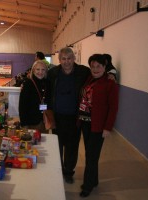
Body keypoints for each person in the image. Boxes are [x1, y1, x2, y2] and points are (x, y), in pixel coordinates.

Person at [47, 47, 90, 183]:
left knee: (72, 147)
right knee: (57, 145)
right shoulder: (53, 73)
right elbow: (45, 89)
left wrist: (110, 76)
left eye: (69, 58)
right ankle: (58, 169)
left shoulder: (83, 72)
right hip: (57, 117)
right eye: (64, 59)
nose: (67, 62)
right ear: (59, 60)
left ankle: (68, 172)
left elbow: (97, 77)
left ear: (74, 58)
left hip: (74, 118)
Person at [78, 54, 119, 197]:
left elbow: (113, 108)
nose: (95, 69)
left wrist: (108, 127)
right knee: (91, 155)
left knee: (92, 156)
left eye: (99, 66)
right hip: (85, 123)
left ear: (104, 67)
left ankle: (87, 186)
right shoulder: (88, 79)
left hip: (98, 126)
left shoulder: (110, 84)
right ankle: (94, 180)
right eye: (93, 66)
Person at [18, 60, 50, 133]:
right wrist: (24, 124)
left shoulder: (47, 83)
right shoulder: (27, 83)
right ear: (33, 70)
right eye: (37, 69)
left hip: (44, 121)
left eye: (43, 70)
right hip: (31, 122)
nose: (40, 72)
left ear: (46, 71)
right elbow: (22, 105)